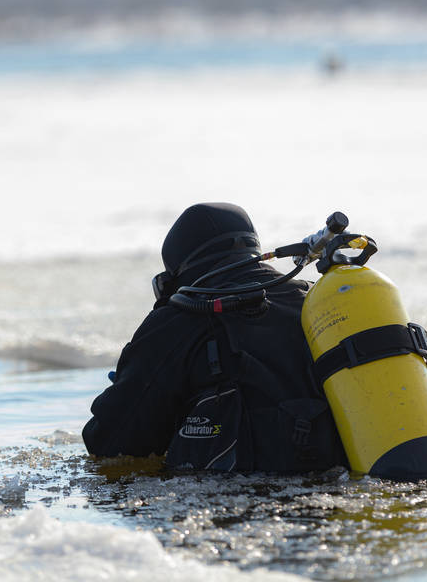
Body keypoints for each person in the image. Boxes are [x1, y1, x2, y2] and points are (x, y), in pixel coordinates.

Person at [82, 202, 347, 472]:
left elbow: (108, 442)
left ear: (176, 271)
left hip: (239, 504)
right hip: (343, 492)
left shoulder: (182, 315)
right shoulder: (315, 302)